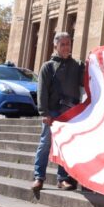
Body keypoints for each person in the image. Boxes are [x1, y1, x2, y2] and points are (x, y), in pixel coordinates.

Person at [32, 32, 84, 194]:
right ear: (55, 46)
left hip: (70, 113)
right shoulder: (47, 66)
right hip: (52, 112)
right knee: (45, 144)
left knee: (65, 146)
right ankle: (38, 177)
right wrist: (44, 112)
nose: (66, 47)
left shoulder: (77, 65)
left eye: (68, 44)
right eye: (63, 44)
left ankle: (62, 179)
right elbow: (42, 91)